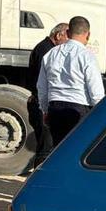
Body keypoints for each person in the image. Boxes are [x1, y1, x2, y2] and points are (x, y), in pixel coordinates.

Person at [38, 16, 105, 146]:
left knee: (58, 149)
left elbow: (42, 86)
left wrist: (45, 110)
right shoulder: (87, 56)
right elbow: (95, 91)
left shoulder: (50, 54)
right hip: (78, 109)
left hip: (55, 107)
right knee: (77, 149)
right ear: (88, 35)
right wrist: (100, 113)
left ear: (68, 33)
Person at [27, 23, 68, 163]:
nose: (67, 44)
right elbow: (44, 82)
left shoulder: (45, 48)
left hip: (40, 102)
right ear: (58, 35)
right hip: (41, 104)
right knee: (46, 147)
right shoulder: (47, 51)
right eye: (67, 38)